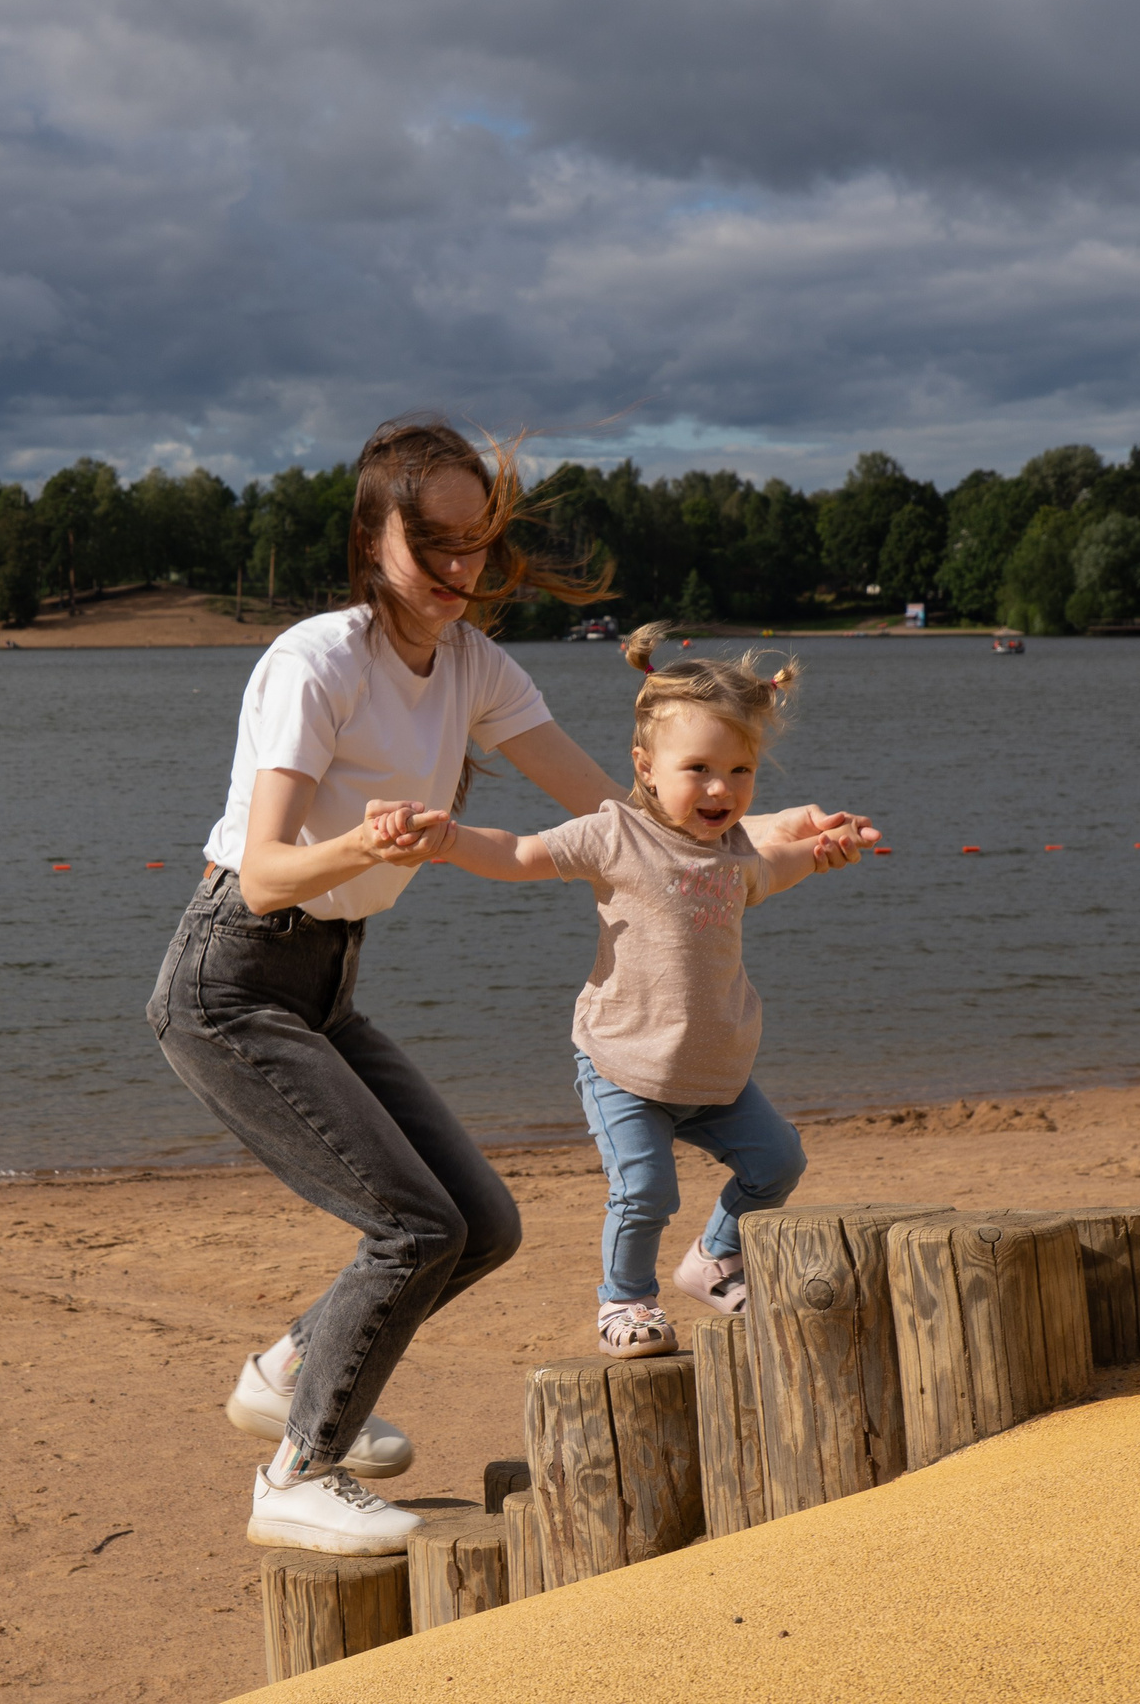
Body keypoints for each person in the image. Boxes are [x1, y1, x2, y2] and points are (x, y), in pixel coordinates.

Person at [146, 417, 878, 1557]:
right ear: (370, 532)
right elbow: (265, 868)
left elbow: (617, 819)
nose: (457, 571)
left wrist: (771, 822)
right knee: (412, 1224)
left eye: (474, 543)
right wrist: (375, 842)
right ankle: (297, 1467)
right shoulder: (316, 660)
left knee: (480, 1224)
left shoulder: (476, 667)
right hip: (232, 979)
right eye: (429, 541)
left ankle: (287, 1371)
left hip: (325, 983)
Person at [376, 623, 848, 1360]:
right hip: (624, 1067)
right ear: (646, 767)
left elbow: (777, 866)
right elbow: (522, 851)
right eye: (699, 767)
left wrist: (822, 852)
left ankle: (713, 1259)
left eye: (741, 769)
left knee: (779, 1161)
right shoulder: (614, 834)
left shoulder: (735, 852)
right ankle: (625, 1300)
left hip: (715, 1073)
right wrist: (448, 838)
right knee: (646, 1189)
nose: (721, 788)